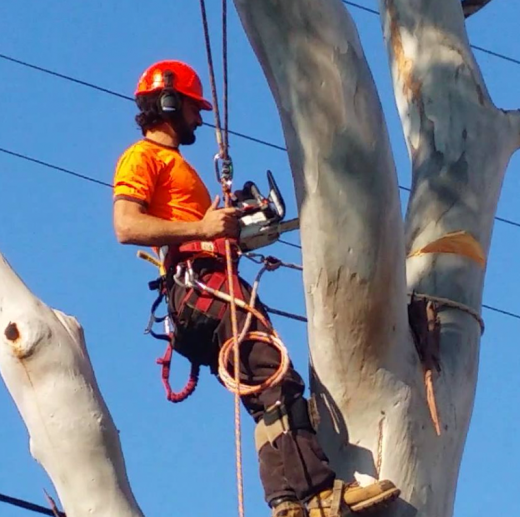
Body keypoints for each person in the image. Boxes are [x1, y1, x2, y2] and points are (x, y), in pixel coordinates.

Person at [112, 60, 400, 517]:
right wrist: (203, 225)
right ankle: (321, 493)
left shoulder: (179, 168)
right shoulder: (144, 157)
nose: (200, 119)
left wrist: (231, 226)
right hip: (202, 285)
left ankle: (287, 502)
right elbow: (126, 226)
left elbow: (196, 228)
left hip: (206, 283)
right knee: (275, 375)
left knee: (263, 391)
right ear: (169, 103)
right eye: (193, 108)